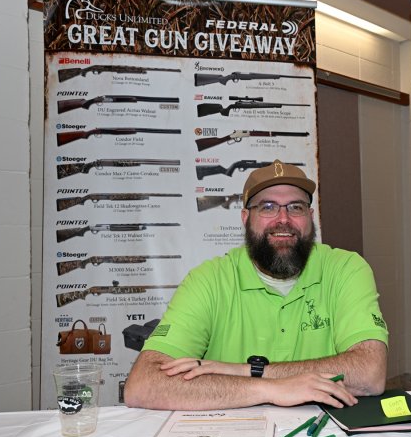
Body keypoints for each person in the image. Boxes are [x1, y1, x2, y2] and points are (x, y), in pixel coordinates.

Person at [124, 160, 389, 410]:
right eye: (268, 207)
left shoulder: (346, 269)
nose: (283, 219)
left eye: (295, 207)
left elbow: (370, 373)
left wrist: (249, 370)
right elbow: (143, 384)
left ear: (310, 216)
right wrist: (270, 389)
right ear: (245, 218)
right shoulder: (209, 280)